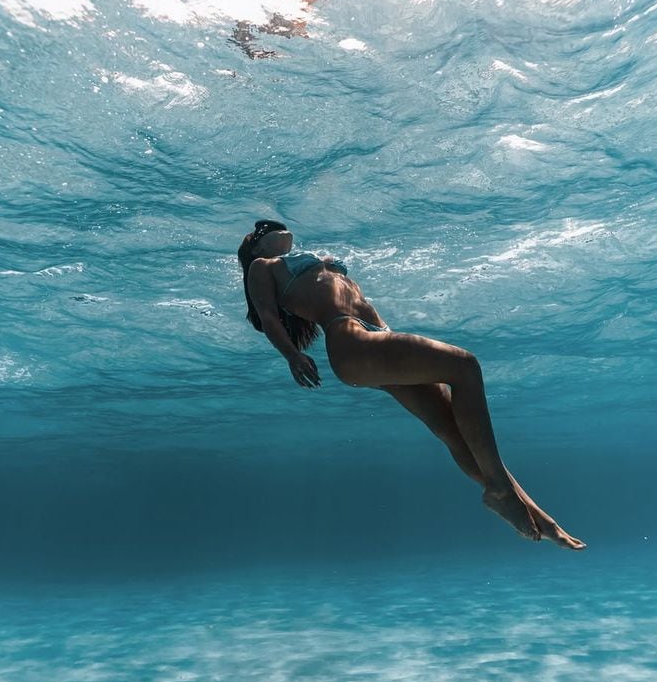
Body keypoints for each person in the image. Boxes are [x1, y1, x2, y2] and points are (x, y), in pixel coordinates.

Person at [237, 219, 586, 549]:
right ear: (254, 247)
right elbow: (269, 317)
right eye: (264, 230)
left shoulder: (300, 260)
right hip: (350, 338)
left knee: (455, 430)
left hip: (375, 335)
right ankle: (500, 492)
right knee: (464, 366)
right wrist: (292, 356)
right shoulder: (261, 268)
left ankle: (540, 519)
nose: (275, 229)